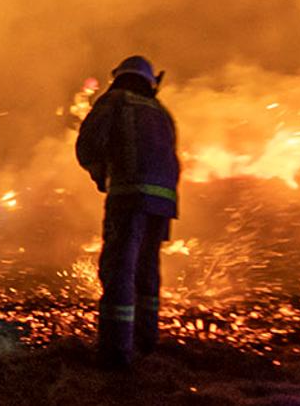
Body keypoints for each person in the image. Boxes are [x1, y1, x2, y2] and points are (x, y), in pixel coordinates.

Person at [75, 55, 180, 369]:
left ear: (119, 78)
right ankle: (146, 341)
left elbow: (88, 144)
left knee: (120, 270)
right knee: (147, 270)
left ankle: (115, 353)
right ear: (150, 82)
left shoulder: (115, 102)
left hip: (129, 197)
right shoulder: (161, 112)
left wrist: (100, 174)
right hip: (162, 204)